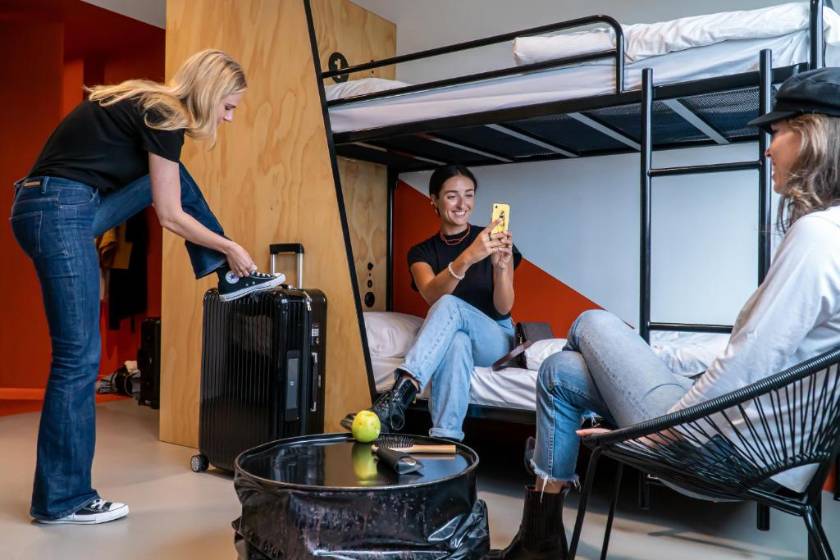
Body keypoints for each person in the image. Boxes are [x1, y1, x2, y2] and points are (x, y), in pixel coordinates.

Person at [495, 67, 840, 559]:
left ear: (811, 136)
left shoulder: (817, 236)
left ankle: (540, 536)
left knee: (591, 322)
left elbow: (747, 363)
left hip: (724, 451)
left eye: (778, 132)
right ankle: (541, 540)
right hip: (766, 448)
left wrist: (655, 436)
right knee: (558, 369)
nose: (768, 148)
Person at [11, 49, 284, 525]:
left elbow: (166, 199)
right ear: (211, 92)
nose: (229, 116)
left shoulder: (149, 101)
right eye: (229, 105)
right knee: (78, 359)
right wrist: (232, 246)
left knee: (180, 181)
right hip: (60, 211)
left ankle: (226, 277)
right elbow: (172, 216)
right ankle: (61, 500)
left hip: (51, 206)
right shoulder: (165, 115)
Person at [343, 164, 521, 439]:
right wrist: (469, 257)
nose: (462, 204)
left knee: (451, 307)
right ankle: (445, 441)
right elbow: (431, 295)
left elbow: (503, 308)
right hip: (459, 340)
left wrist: (500, 267)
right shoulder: (421, 252)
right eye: (452, 196)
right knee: (456, 341)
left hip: (495, 339)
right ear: (434, 200)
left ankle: (401, 393)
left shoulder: (492, 241)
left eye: (469, 195)